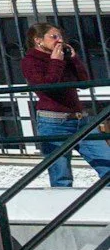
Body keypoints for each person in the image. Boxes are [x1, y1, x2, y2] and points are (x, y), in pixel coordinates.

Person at [22, 23, 110, 188]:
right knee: (61, 175)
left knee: (106, 163)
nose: (59, 41)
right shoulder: (30, 61)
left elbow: (84, 83)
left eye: (61, 37)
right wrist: (56, 62)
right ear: (38, 40)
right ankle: (65, 211)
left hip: (80, 120)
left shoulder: (64, 58)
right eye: (54, 37)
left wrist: (74, 59)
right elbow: (48, 87)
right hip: (54, 122)